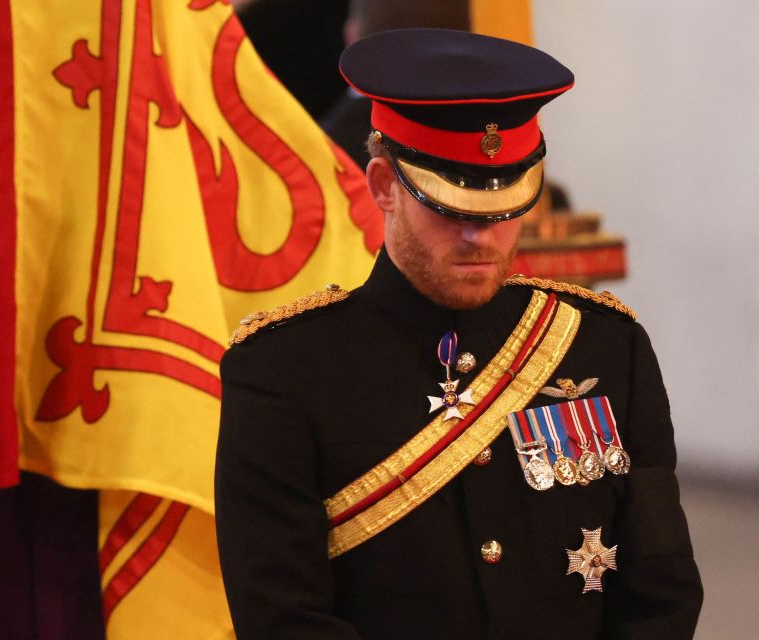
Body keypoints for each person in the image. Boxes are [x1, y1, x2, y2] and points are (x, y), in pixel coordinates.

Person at [215, 28, 703, 639]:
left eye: (503, 210)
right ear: (384, 187)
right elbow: (282, 617)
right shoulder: (282, 371)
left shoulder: (606, 347)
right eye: (450, 207)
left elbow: (661, 592)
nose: (481, 237)